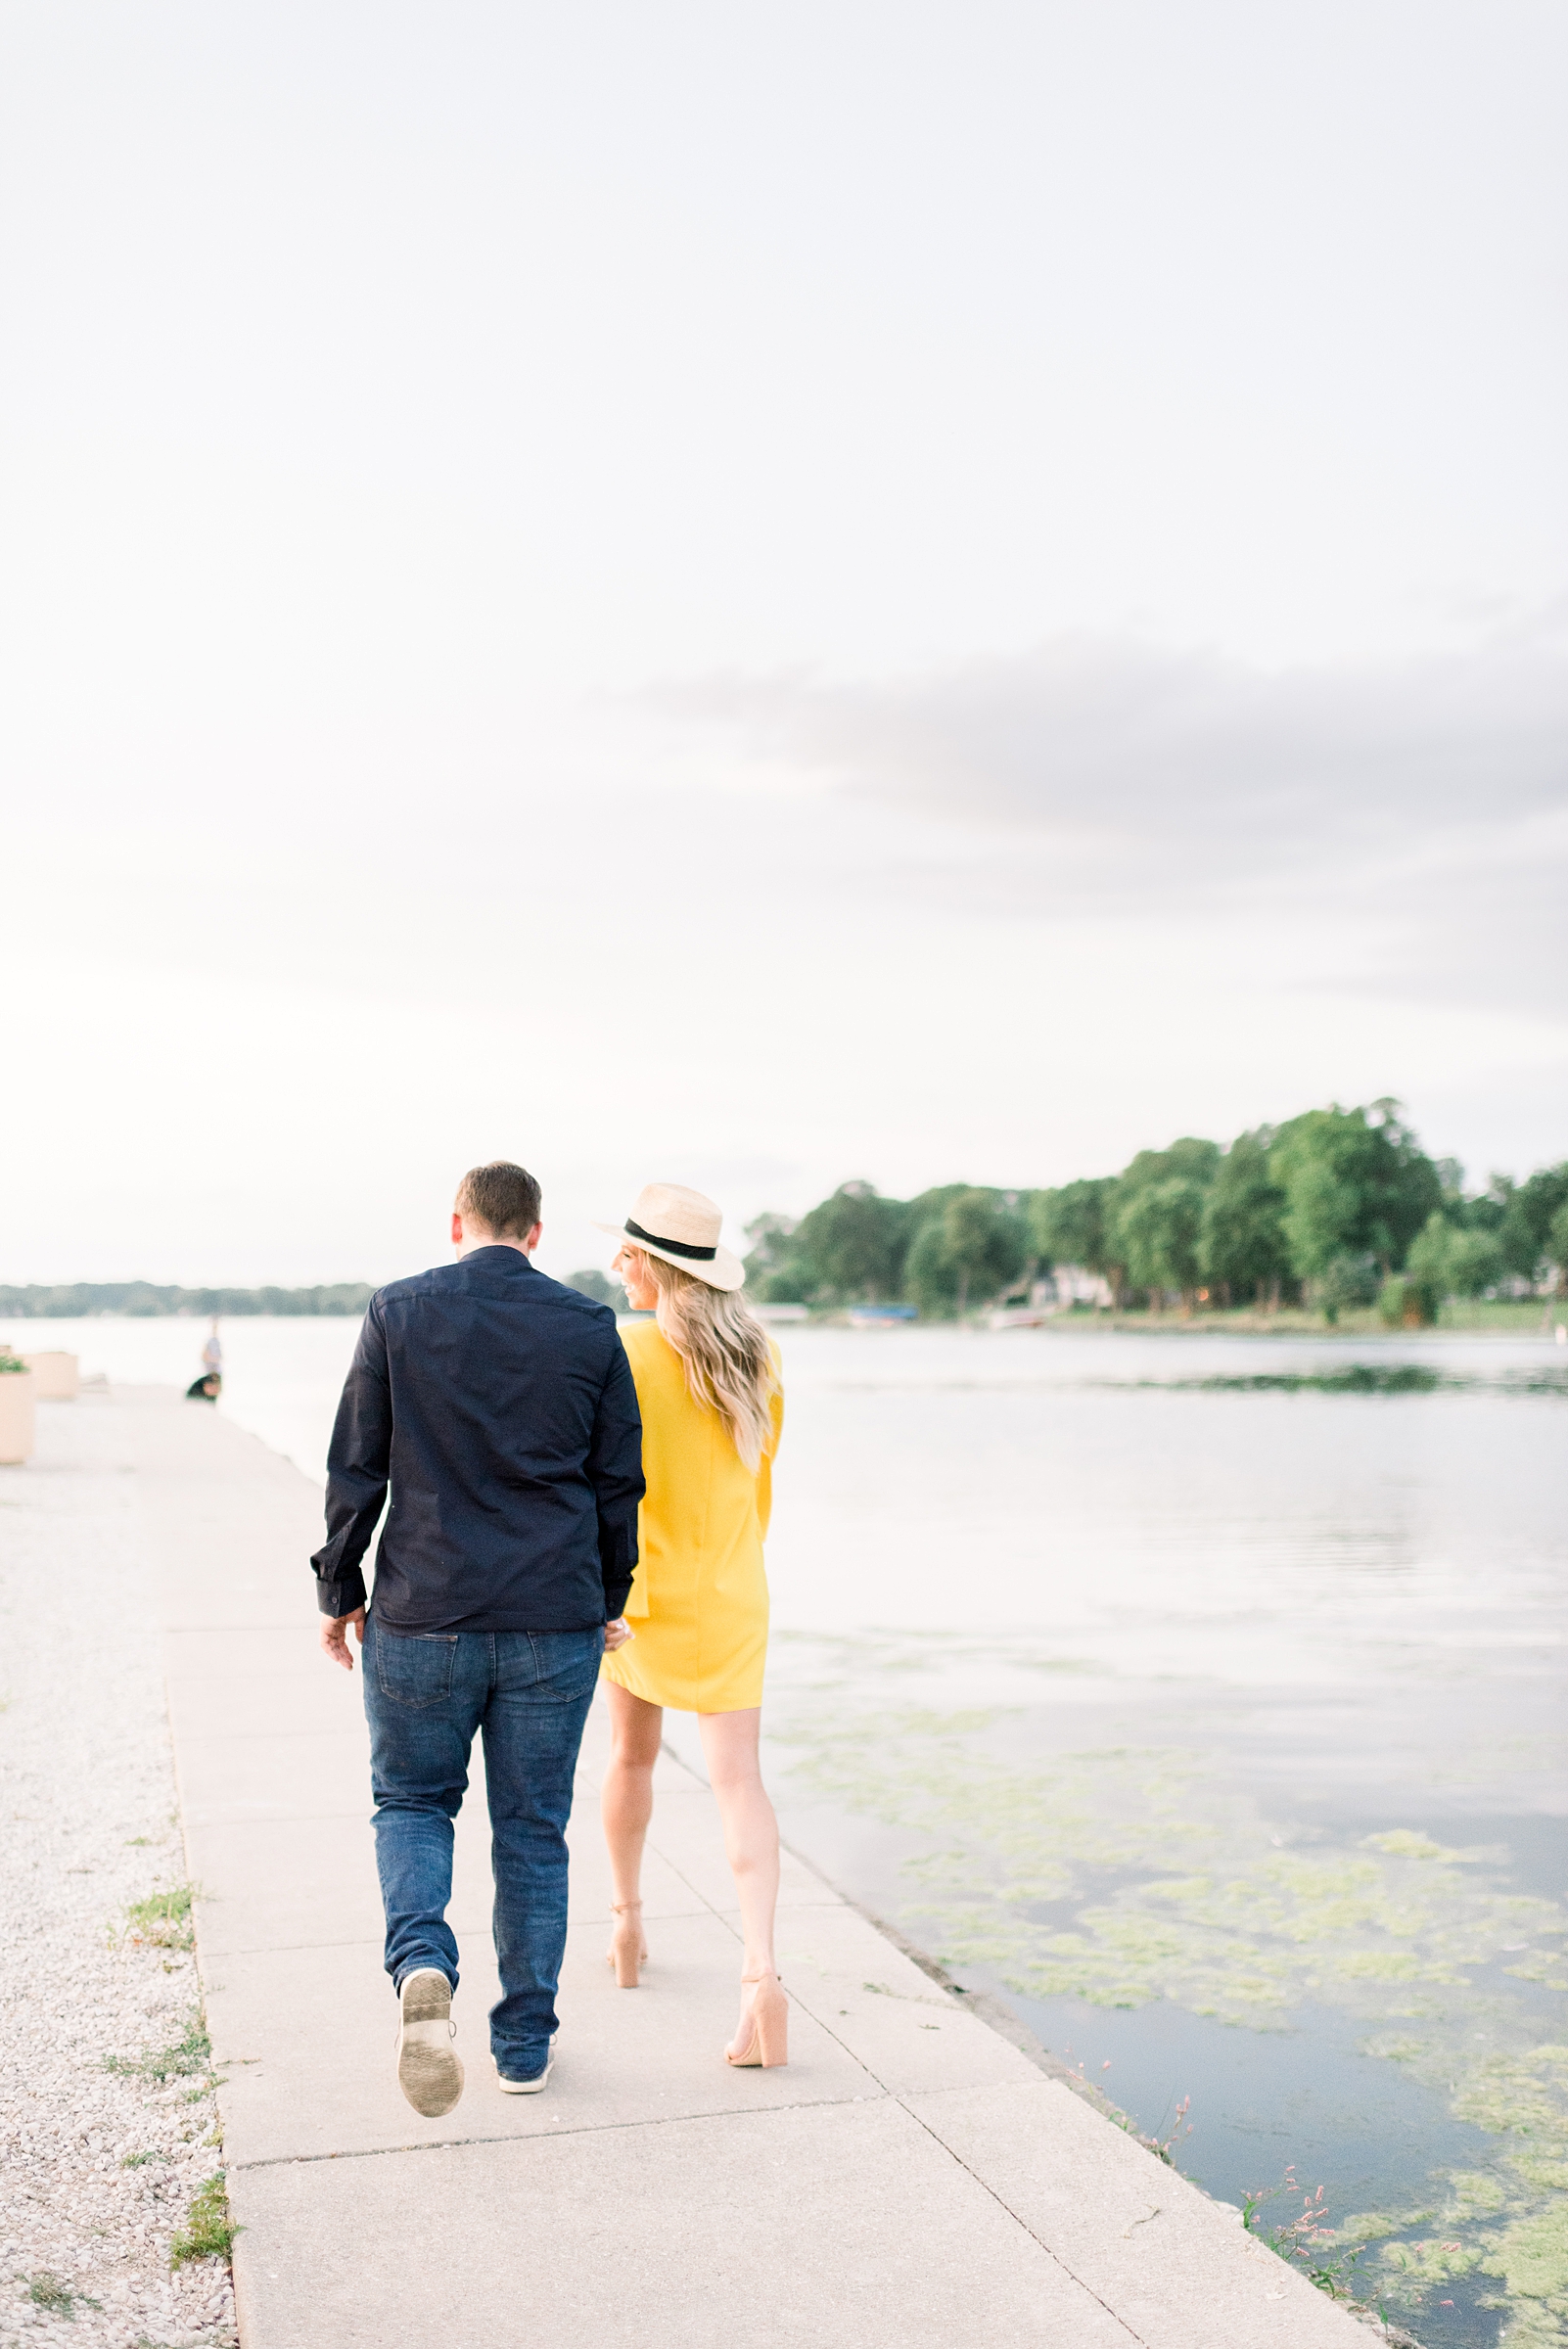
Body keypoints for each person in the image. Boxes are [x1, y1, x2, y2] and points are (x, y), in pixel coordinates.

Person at [311, 1162, 644, 2116]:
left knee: (413, 1803)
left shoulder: (397, 1313)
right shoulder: (588, 1326)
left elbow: (357, 1465)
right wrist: (607, 1593)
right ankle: (524, 2046)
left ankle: (422, 1959)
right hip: (551, 1618)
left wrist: (340, 1587)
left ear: (458, 1223)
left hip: (423, 1611)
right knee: (534, 1832)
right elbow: (617, 1480)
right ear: (535, 1233)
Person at [594, 1182, 788, 2068]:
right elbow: (760, 1488)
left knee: (631, 1758)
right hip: (732, 1592)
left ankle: (628, 1927)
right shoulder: (761, 1357)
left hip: (641, 1598)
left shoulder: (621, 1351)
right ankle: (761, 1980)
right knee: (739, 1783)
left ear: (650, 1266)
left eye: (624, 1257)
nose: (615, 1271)